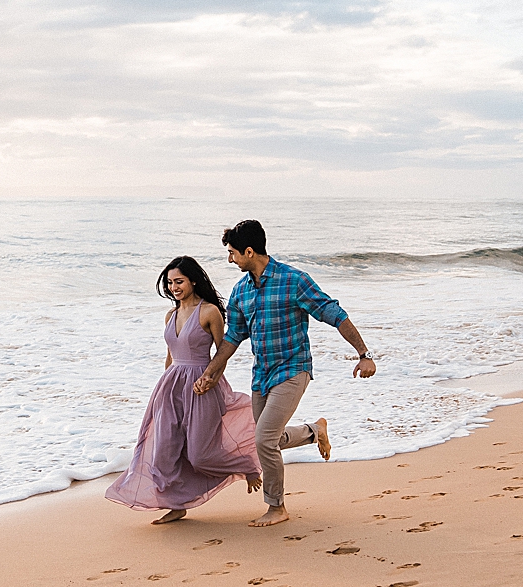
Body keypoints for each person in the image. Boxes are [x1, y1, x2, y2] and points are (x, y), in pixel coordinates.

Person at [194, 219, 375, 527]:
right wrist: (211, 371)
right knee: (268, 440)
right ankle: (313, 431)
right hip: (261, 375)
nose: (230, 259)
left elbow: (333, 313)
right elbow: (233, 337)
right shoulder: (241, 292)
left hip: (293, 369)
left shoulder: (293, 280)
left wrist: (364, 354)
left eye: (233, 253)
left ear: (249, 252)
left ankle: (276, 507)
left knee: (263, 439)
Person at [105, 255, 262, 524]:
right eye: (169, 283)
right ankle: (176, 505)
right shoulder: (170, 315)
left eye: (179, 281)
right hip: (170, 388)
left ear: (193, 280)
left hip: (202, 386)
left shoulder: (209, 311)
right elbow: (170, 354)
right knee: (163, 452)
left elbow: (223, 352)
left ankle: (247, 465)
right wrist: (164, 388)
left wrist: (212, 378)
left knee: (200, 455)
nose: (174, 287)